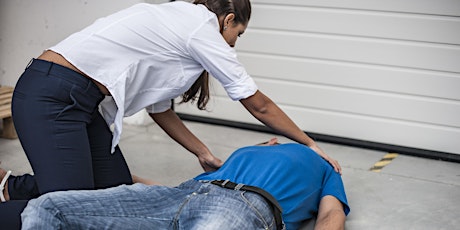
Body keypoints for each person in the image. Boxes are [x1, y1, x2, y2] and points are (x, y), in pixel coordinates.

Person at [10, 0, 340, 205]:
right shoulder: (200, 28)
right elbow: (258, 105)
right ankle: (12, 196)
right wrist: (310, 143)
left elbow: (160, 110)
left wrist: (202, 152)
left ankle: (11, 187)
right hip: (52, 95)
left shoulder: (180, 26)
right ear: (227, 21)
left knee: (116, 192)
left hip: (78, 102)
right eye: (238, 34)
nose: (234, 44)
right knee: (72, 209)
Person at [19, 139, 350, 230]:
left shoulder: (323, 166)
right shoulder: (246, 153)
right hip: (180, 196)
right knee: (49, 207)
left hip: (245, 205)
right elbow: (181, 193)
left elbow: (331, 214)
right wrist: (126, 183)